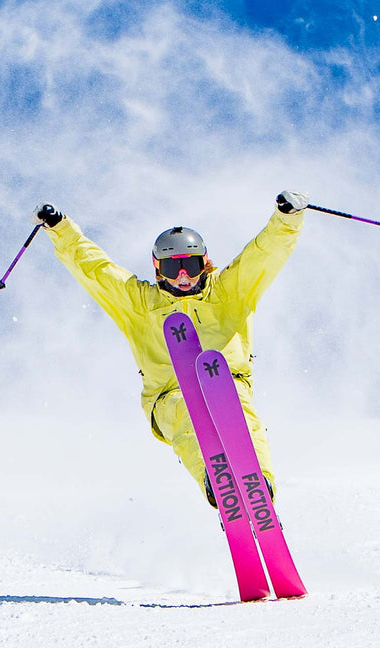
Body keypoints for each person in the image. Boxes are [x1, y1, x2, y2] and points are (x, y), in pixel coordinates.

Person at [34, 190, 309, 507]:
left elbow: (264, 254)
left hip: (227, 381)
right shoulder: (140, 303)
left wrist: (287, 219)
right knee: (188, 414)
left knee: (238, 409)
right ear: (156, 268)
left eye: (191, 265)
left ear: (204, 262)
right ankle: (217, 481)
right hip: (168, 395)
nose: (182, 276)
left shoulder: (227, 290)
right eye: (171, 267)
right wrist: (60, 228)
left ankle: (257, 483)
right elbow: (95, 268)